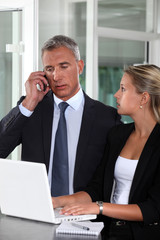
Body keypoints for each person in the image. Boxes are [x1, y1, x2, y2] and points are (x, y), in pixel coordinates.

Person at [0, 35, 121, 196]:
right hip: (35, 211)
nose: (56, 77)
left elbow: (113, 177)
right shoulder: (32, 109)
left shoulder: (106, 117)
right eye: (50, 69)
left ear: (80, 66)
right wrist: (29, 102)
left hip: (84, 215)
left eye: (64, 66)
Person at [52, 64, 160, 240]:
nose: (116, 94)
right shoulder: (118, 135)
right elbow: (97, 189)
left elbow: (154, 209)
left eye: (123, 89)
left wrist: (99, 207)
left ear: (144, 98)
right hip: (109, 231)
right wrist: (57, 201)